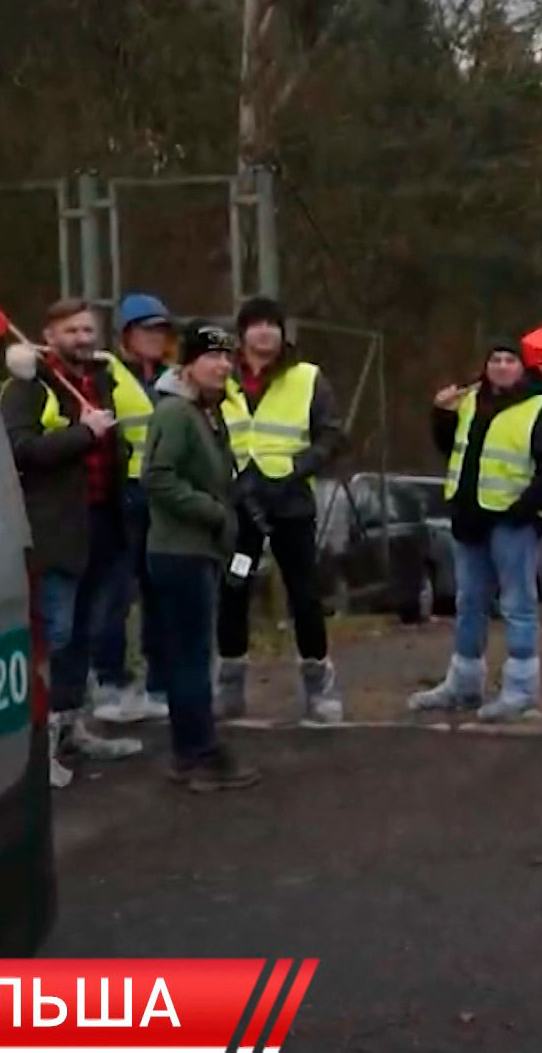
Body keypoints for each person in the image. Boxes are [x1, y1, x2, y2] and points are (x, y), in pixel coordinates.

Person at [0, 298, 146, 787]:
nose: (82, 338)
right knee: (52, 636)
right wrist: (84, 433)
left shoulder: (101, 377)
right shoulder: (28, 384)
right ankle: (33, 750)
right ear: (50, 333)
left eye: (88, 329)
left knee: (82, 633)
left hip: (102, 522)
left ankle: (70, 728)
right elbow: (18, 449)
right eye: (71, 330)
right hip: (54, 530)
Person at [410, 334, 542, 721]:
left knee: (517, 604)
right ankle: (463, 684)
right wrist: (441, 414)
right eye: (495, 359)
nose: (501, 366)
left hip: (512, 520)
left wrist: (525, 507)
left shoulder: (540, 410)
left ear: (523, 368)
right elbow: (452, 448)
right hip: (469, 517)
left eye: (509, 360)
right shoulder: (469, 402)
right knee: (469, 603)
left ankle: (520, 691)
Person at [215, 296, 346, 725]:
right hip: (239, 501)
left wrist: (296, 468)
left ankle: (318, 687)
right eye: (255, 325)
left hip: (289, 501)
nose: (264, 333)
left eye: (272, 324)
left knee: (304, 594)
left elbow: (331, 434)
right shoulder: (222, 375)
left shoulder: (308, 378)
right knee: (233, 589)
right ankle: (230, 685)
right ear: (243, 333)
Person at [143, 323, 262, 792]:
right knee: (191, 657)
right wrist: (213, 512)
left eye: (228, 357)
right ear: (188, 364)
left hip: (199, 549)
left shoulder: (206, 413)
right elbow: (158, 477)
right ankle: (199, 754)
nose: (223, 365)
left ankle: (188, 751)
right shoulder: (176, 413)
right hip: (179, 550)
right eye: (212, 357)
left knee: (191, 654)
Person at [85, 292, 178, 725]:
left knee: (162, 595)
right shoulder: (106, 374)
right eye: (147, 330)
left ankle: (160, 684)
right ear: (126, 335)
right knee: (115, 593)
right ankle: (110, 681)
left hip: (167, 496)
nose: (155, 338)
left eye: (161, 331)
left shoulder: (175, 377)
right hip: (124, 496)